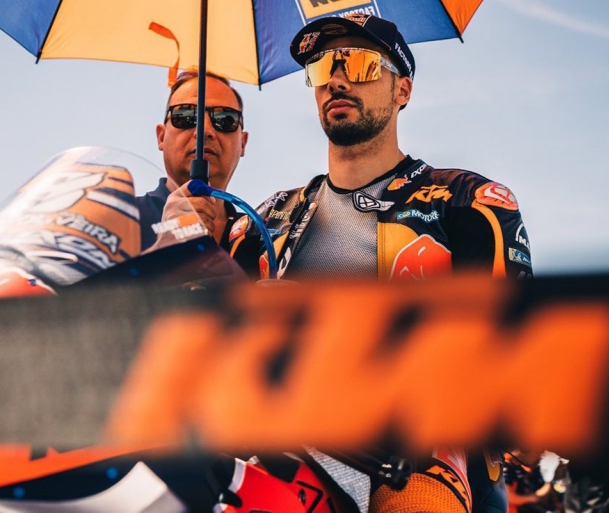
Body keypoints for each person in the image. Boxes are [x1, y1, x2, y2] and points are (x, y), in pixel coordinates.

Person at [228, 13, 533, 513]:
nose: (338, 79)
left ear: (402, 90)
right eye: (323, 68)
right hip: (278, 447)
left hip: (416, 458)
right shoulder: (264, 219)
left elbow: (513, 354)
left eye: (361, 64)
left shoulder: (469, 202)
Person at [136, 70, 249, 251]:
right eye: (185, 116)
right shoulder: (117, 218)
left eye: (226, 119)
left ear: (242, 143)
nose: (205, 131)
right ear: (161, 137)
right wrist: (163, 248)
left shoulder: (261, 241)